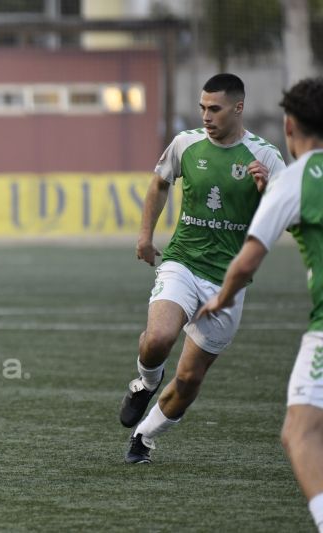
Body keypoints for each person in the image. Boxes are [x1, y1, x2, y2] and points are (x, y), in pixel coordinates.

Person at [119, 73, 286, 463]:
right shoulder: (186, 144)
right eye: (202, 108)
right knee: (157, 339)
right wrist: (145, 236)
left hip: (228, 281)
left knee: (190, 379)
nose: (206, 116)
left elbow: (284, 223)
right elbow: (159, 183)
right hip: (183, 261)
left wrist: (266, 194)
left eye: (215, 108)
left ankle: (144, 437)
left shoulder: (266, 158)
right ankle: (145, 382)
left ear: (238, 108)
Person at [198, 77, 323, 531]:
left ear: (289, 126)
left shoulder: (294, 180)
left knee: (300, 433)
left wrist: (221, 298)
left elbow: (248, 259)